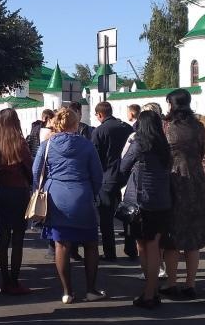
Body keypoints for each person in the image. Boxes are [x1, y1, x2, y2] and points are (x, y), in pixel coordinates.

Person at [34, 106, 104, 304]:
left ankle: (67, 292)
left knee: (62, 244)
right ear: (76, 124)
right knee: (90, 244)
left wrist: (39, 190)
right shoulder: (87, 145)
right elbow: (97, 174)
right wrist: (92, 192)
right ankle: (91, 290)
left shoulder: (47, 145)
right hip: (82, 195)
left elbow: (36, 171)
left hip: (56, 197)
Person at [119, 110, 172, 308]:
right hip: (162, 200)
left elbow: (123, 166)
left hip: (141, 201)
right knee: (154, 245)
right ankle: (152, 290)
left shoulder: (139, 143)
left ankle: (150, 293)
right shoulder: (164, 145)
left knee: (145, 246)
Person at [160, 91, 205, 299]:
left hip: (174, 181)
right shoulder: (198, 127)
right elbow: (201, 151)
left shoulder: (166, 126)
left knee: (172, 237)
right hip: (196, 181)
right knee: (193, 237)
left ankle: (172, 283)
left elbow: (162, 154)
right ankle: (190, 284)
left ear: (172, 105)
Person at [0, 108, 33, 295]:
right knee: (18, 238)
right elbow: (29, 169)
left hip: (3, 192)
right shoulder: (20, 143)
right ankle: (14, 281)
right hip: (19, 192)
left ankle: (5, 280)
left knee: (4, 236)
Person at [92, 101, 135, 262]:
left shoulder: (99, 131)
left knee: (106, 218)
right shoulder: (127, 127)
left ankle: (109, 252)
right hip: (127, 177)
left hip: (107, 178)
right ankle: (131, 249)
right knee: (129, 214)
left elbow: (95, 157)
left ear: (100, 114)